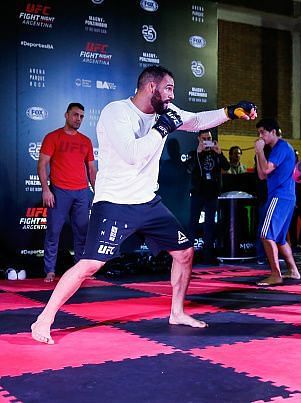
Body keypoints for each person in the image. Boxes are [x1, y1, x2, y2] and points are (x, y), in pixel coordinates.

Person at [31, 65, 257, 344]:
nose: (173, 96)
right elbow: (132, 155)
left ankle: (177, 312)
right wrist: (162, 129)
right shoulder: (117, 113)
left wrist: (231, 111)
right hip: (115, 202)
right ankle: (44, 319)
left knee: (185, 252)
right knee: (89, 264)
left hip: (148, 202)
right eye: (169, 89)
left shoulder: (166, 114)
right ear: (152, 88)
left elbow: (197, 120)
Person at [38, 103, 97, 283]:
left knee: (82, 233)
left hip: (81, 193)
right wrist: (46, 189)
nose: (78, 119)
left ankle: (81, 272)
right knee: (53, 232)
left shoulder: (86, 141)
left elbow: (92, 170)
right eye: (75, 115)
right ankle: (50, 271)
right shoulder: (52, 137)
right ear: (66, 115)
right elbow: (41, 165)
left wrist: (97, 192)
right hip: (59, 192)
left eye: (81, 116)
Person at [253, 118, 300, 285]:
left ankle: (276, 274)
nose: (261, 136)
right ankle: (293, 271)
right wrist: (259, 153)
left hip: (280, 196)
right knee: (279, 238)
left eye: (263, 132)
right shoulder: (275, 149)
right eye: (259, 133)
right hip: (284, 196)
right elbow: (261, 175)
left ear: (273, 132)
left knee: (266, 235)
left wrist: (259, 152)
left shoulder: (281, 147)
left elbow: (265, 169)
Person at [186, 129, 230, 265]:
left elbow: (227, 167)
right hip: (198, 192)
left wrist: (220, 153)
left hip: (212, 193)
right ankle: (188, 256)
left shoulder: (215, 153)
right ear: (199, 139)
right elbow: (189, 168)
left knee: (210, 225)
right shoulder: (194, 154)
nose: (206, 141)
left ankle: (208, 254)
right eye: (204, 138)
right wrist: (198, 153)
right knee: (193, 224)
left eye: (209, 138)